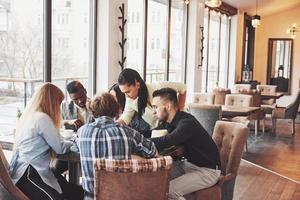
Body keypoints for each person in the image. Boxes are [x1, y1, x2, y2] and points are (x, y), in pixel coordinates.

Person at [9, 83, 83, 200]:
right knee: (68, 195)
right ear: (52, 102)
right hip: (29, 173)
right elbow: (60, 147)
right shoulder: (42, 118)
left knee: (76, 193)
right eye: (58, 103)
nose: (58, 108)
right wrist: (76, 143)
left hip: (32, 170)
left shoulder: (31, 116)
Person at [76, 92, 157, 199]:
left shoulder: (82, 132)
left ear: (93, 112)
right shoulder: (127, 132)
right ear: (116, 110)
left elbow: (74, 146)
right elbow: (152, 151)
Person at [149, 88, 221, 200]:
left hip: (208, 171)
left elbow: (167, 141)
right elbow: (151, 132)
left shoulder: (186, 123)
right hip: (188, 165)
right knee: (156, 177)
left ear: (168, 106)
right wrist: (130, 134)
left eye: (155, 107)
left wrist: (139, 142)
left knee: (169, 191)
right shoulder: (169, 122)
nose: (153, 111)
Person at [117, 68, 186, 133]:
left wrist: (180, 109)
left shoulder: (159, 87)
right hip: (160, 130)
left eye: (128, 92)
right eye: (124, 93)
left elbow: (183, 88)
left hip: (178, 124)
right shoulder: (130, 100)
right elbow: (126, 118)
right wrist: (113, 125)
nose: (126, 96)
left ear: (137, 84)